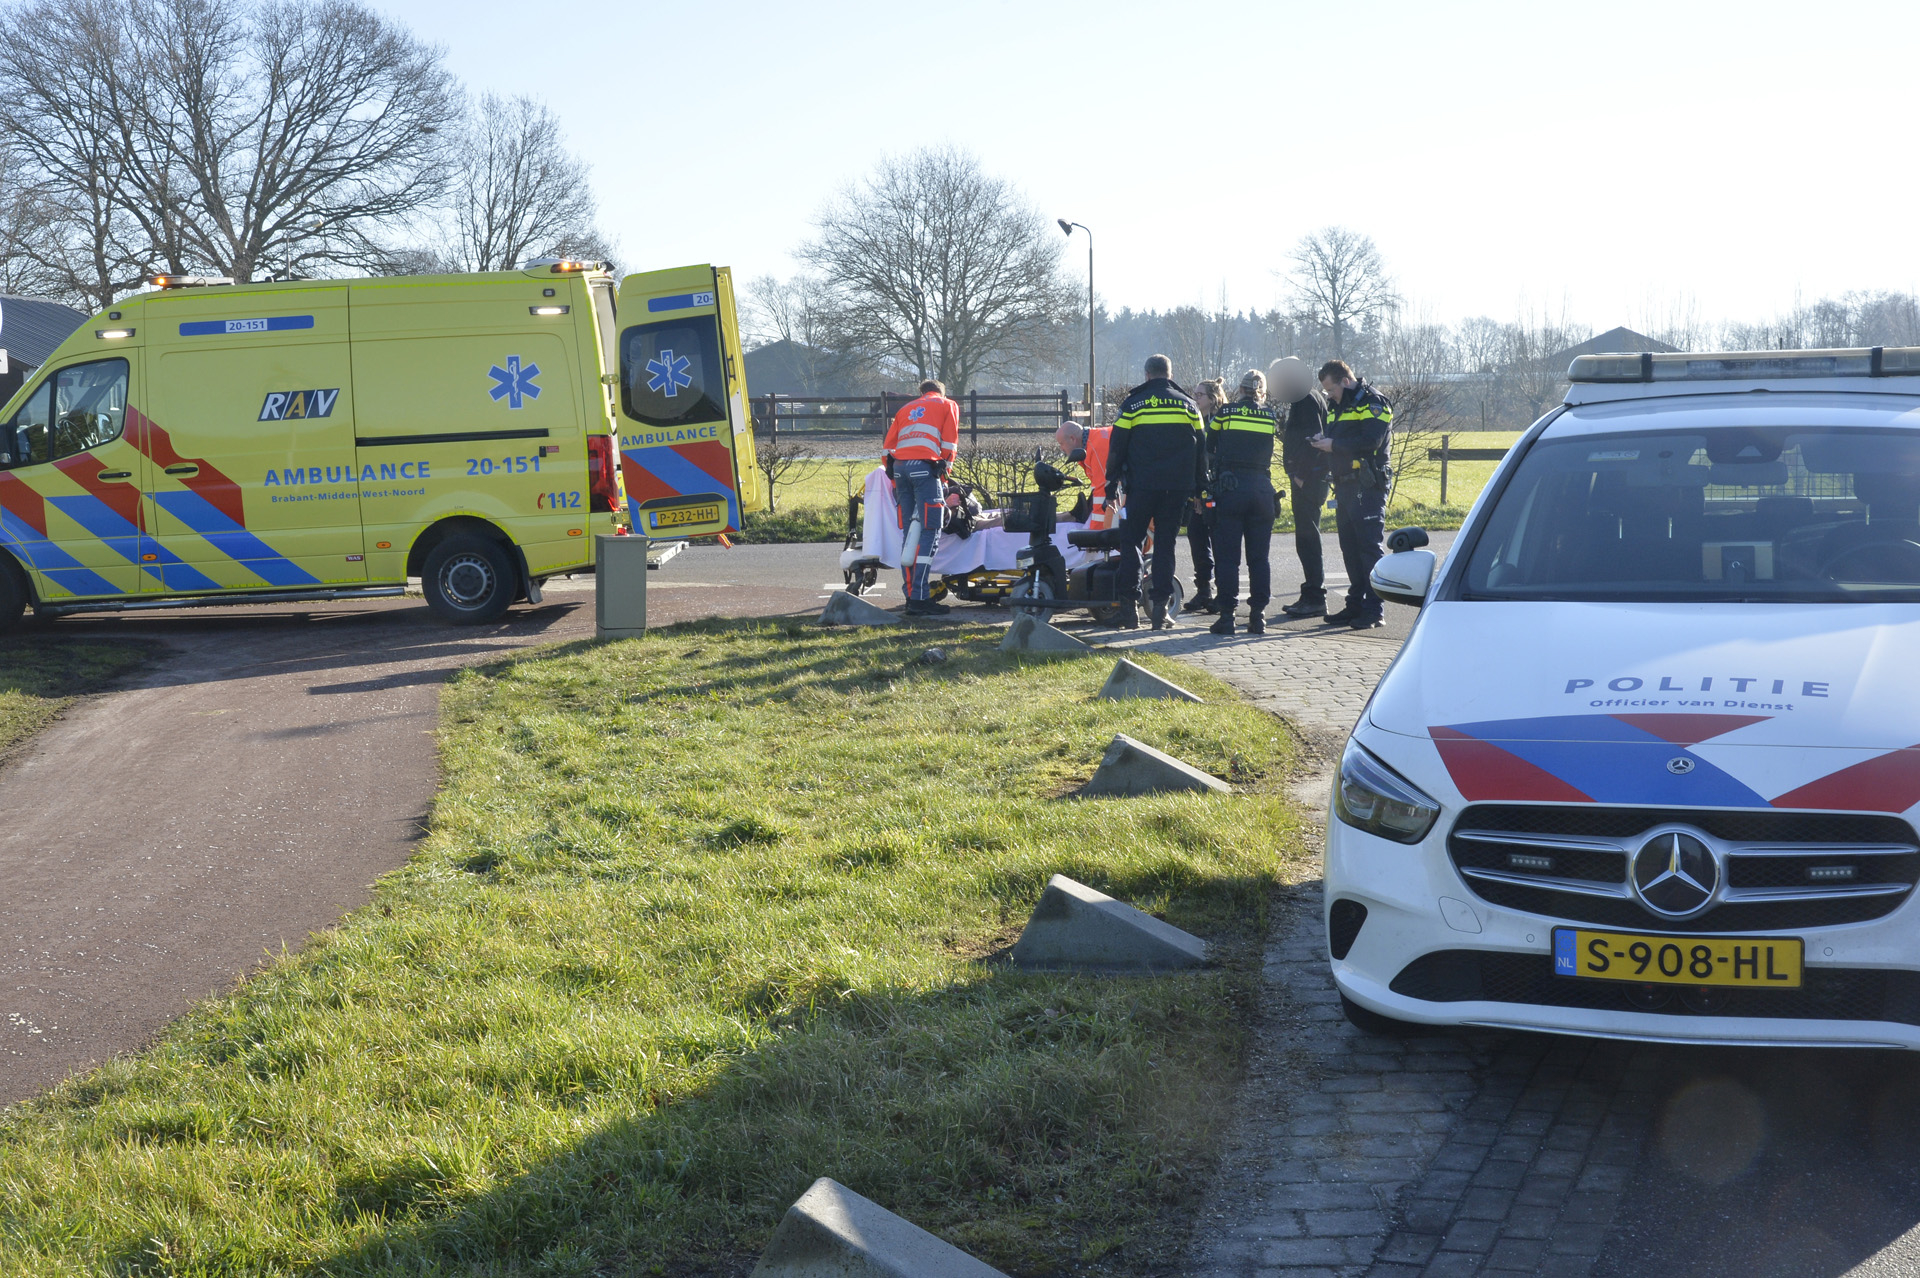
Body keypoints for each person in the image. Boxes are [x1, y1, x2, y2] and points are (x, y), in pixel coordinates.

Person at [1106, 354, 1206, 629]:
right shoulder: (1189, 405)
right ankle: (1160, 611)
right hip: (1177, 489)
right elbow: (1201, 449)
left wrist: (1111, 483)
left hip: (1141, 487)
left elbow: (1117, 446)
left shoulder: (1133, 404)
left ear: (1147, 375)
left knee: (1131, 542)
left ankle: (1129, 610)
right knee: (1165, 544)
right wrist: (1200, 488)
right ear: (1170, 374)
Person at [1311, 359, 1393, 629]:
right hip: (1344, 485)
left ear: (1345, 381)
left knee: (1368, 549)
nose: (1329, 395)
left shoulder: (1374, 402)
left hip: (1366, 485)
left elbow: (1372, 441)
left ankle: (1374, 610)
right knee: (1350, 549)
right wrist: (1323, 442)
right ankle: (1355, 605)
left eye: (1331, 389)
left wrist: (1333, 444)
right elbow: (1340, 438)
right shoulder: (1337, 406)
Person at [1204, 369, 1282, 636]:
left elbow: (1209, 445)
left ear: (1240, 389)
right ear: (1262, 392)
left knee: (1228, 559)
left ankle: (1227, 617)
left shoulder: (1225, 413)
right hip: (1262, 490)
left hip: (1231, 489)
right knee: (1259, 559)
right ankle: (1258, 617)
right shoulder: (1270, 415)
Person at [883, 378, 960, 615]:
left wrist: (896, 479)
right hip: (925, 469)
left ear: (922, 393)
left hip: (900, 470)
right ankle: (920, 598)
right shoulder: (947, 404)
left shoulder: (905, 409)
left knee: (909, 534)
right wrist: (943, 475)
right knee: (930, 531)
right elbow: (950, 443)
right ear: (941, 392)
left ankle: (910, 595)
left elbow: (887, 449)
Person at [1273, 358, 1332, 618]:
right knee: (1306, 538)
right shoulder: (1307, 397)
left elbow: (1314, 439)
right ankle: (1310, 593)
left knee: (1307, 540)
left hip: (1309, 480)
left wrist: (1301, 476)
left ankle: (1315, 597)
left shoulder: (1306, 399)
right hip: (1310, 478)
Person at [1184, 379, 1225, 613]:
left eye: (1200, 395)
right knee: (1197, 539)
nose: (1195, 398)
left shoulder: (1219, 423)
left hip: (1214, 491)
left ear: (1212, 398)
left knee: (1219, 542)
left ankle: (1222, 593)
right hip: (1196, 491)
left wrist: (1205, 492)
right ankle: (1203, 590)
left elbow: (1211, 459)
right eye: (1195, 394)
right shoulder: (1194, 420)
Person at [1054, 416, 1114, 529]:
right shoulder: (1094, 441)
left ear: (1072, 439)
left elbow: (1102, 492)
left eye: (1061, 443)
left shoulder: (1096, 449)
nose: (1061, 448)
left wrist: (1095, 533)